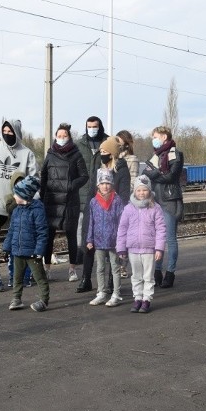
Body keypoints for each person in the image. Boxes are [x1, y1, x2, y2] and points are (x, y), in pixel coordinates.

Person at [0, 118, 37, 282]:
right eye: (4, 132)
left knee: (21, 238)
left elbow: (34, 179)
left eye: (10, 132)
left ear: (17, 132)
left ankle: (22, 273)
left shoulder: (27, 154)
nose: (7, 134)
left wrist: (30, 199)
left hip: (18, 204)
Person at [77, 133, 131, 293]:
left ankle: (110, 282)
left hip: (112, 215)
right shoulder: (98, 170)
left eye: (104, 150)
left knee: (111, 252)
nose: (102, 153)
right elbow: (91, 193)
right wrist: (88, 212)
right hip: (95, 212)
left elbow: (124, 195)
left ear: (112, 152)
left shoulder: (121, 170)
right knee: (88, 247)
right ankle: (86, 278)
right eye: (100, 150)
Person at [40, 123, 89, 282]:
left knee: (71, 237)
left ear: (69, 137)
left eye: (64, 136)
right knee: (48, 237)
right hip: (52, 202)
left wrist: (71, 186)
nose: (61, 139)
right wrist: (41, 198)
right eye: (59, 136)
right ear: (55, 137)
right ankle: (47, 268)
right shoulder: (50, 155)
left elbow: (84, 176)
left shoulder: (76, 155)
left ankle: (72, 269)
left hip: (70, 203)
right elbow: (43, 178)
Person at [116, 176, 166, 314]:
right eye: (139, 190)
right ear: (134, 191)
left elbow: (161, 229)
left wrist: (159, 248)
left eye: (145, 190)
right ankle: (137, 297)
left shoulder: (155, 208)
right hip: (133, 248)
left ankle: (146, 299)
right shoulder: (128, 209)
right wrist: (121, 248)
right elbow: (122, 228)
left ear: (149, 191)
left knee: (148, 276)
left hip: (149, 249)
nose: (142, 193)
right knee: (136, 275)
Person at [143, 126, 184, 289]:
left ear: (164, 136)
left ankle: (170, 273)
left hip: (169, 200)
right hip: (155, 200)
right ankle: (157, 271)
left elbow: (171, 176)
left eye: (155, 136)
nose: (153, 139)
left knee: (170, 239)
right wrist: (155, 173)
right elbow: (147, 172)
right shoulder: (156, 155)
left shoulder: (175, 154)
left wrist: (154, 174)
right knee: (155, 238)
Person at [74, 115, 111, 292]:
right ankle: (86, 279)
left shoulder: (108, 142)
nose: (92, 129)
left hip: (106, 197)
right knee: (87, 240)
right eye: (89, 126)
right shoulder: (79, 145)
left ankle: (110, 281)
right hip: (85, 196)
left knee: (109, 241)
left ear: (100, 126)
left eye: (95, 126)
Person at [2, 176, 50, 312]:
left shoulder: (37, 210)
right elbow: (11, 231)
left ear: (25, 195)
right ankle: (16, 298)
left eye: (16, 193)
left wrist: (39, 251)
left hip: (32, 253)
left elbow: (42, 232)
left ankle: (44, 300)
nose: (14, 196)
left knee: (39, 276)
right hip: (18, 251)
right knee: (17, 277)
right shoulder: (16, 211)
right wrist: (6, 248)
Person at [86, 169, 125, 307]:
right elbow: (91, 222)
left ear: (112, 184)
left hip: (114, 241)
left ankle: (116, 293)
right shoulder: (93, 202)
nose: (105, 186)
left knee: (115, 267)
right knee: (100, 268)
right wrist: (89, 239)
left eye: (108, 183)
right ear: (98, 185)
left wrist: (122, 239)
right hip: (98, 240)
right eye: (102, 183)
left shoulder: (117, 200)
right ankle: (101, 292)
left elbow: (122, 221)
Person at [115, 130, 139, 278]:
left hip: (126, 199)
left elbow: (133, 180)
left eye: (119, 140)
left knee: (124, 234)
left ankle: (123, 266)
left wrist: (123, 194)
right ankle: (116, 265)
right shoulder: (114, 157)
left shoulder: (132, 159)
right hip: (113, 200)